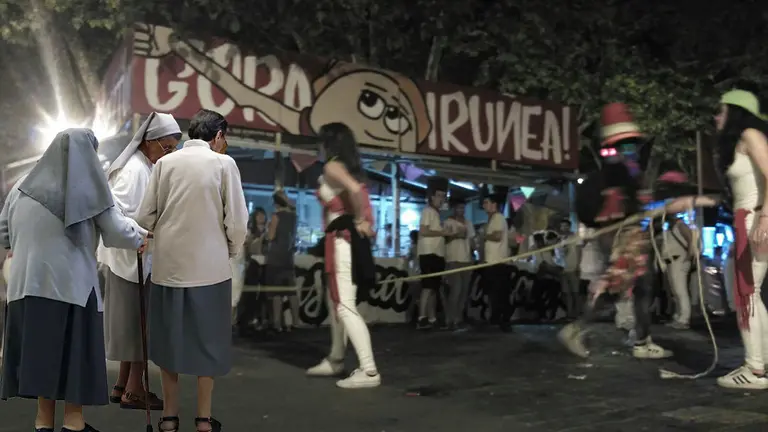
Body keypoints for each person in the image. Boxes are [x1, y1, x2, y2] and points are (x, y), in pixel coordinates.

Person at [0, 129, 147, 432]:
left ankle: (43, 423)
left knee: (43, 355)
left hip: (26, 287)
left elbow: (4, 233)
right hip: (70, 287)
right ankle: (73, 422)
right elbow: (117, 231)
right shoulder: (87, 187)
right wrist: (141, 236)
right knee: (72, 355)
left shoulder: (21, 187)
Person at [562, 103, 717, 360]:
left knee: (642, 286)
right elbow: (615, 204)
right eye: (626, 145)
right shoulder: (616, 169)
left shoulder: (627, 168)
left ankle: (641, 339)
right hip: (625, 236)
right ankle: (579, 327)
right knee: (617, 285)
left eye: (631, 145)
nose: (630, 150)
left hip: (631, 233)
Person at [137, 109, 248, 432]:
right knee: (208, 344)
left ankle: (169, 416)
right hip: (210, 270)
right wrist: (229, 250)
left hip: (168, 269)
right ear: (218, 136)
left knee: (170, 342)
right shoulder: (224, 164)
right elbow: (237, 221)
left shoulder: (166, 164)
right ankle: (202, 418)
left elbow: (145, 217)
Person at [99, 112, 181, 411]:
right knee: (139, 327)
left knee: (135, 324)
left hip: (137, 257)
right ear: (149, 142)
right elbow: (117, 213)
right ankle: (135, 390)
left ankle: (122, 384)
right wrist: (149, 230)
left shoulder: (144, 166)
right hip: (130, 257)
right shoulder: (134, 170)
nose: (169, 154)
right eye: (167, 147)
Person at [305, 123, 380, 389]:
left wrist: (359, 219)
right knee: (336, 303)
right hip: (340, 240)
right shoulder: (345, 166)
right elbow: (357, 192)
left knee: (344, 305)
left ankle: (369, 370)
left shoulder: (333, 167)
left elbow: (356, 191)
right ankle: (337, 358)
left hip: (342, 241)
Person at [712, 90, 768, 389]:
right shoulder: (744, 140)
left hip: (754, 218)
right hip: (750, 218)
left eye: (720, 111)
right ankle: (761, 363)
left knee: (746, 294)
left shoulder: (749, 134)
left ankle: (755, 369)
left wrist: (764, 218)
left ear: (736, 111)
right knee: (752, 294)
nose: (716, 117)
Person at [264, 190, 299, 332]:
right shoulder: (294, 217)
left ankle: (277, 323)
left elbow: (271, 237)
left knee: (276, 293)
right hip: (288, 258)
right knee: (291, 292)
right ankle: (296, 322)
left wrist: (268, 229)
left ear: (275, 203)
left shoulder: (276, 216)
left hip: (275, 258)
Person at [417, 177, 448, 329]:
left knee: (434, 288)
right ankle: (422, 317)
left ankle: (431, 318)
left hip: (437, 254)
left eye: (443, 196)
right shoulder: (427, 211)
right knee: (428, 287)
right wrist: (442, 232)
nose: (441, 200)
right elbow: (423, 231)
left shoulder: (436, 214)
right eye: (439, 196)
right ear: (432, 197)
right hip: (429, 253)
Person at [443, 197, 475, 330]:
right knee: (455, 290)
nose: (461, 210)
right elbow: (444, 239)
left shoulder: (468, 223)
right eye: (458, 208)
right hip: (453, 259)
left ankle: (458, 318)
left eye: (463, 208)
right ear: (454, 209)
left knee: (464, 291)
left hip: (466, 259)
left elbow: (472, 242)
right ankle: (449, 319)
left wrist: (474, 254)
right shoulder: (448, 222)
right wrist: (456, 235)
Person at [235, 208, 268, 335]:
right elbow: (247, 248)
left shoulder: (267, 230)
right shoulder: (250, 232)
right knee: (250, 295)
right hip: (253, 264)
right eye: (259, 215)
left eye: (263, 215)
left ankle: (260, 320)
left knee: (263, 296)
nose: (261, 218)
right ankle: (246, 321)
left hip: (265, 264)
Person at [657, 215, 694, 329]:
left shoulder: (681, 225)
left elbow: (691, 239)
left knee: (680, 290)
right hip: (670, 261)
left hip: (679, 260)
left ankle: (684, 318)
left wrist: (688, 257)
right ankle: (678, 316)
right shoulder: (670, 228)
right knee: (675, 291)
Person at [482, 187, 511, 331]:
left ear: (494, 205)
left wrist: (484, 236)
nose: (484, 206)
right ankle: (497, 318)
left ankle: (503, 320)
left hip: (498, 262)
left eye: (486, 203)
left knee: (500, 293)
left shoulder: (498, 218)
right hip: (492, 261)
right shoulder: (492, 219)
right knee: (495, 293)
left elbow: (497, 236)